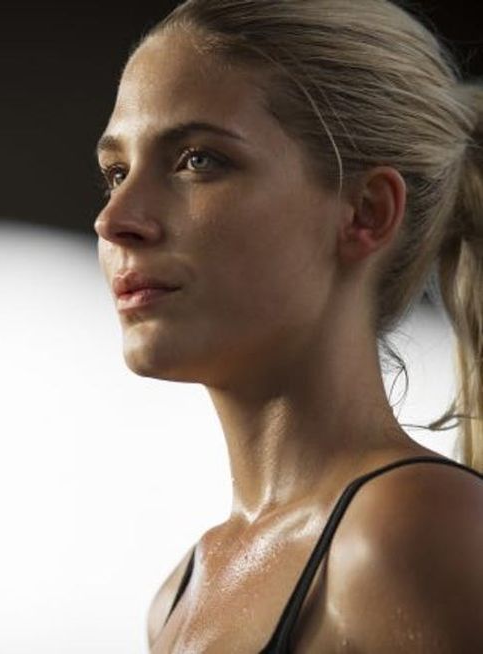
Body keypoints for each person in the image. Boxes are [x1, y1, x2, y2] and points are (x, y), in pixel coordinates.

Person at [92, 0, 483, 651]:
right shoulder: (178, 596)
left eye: (198, 160)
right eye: (116, 172)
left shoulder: (410, 530)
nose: (115, 220)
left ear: (366, 212)